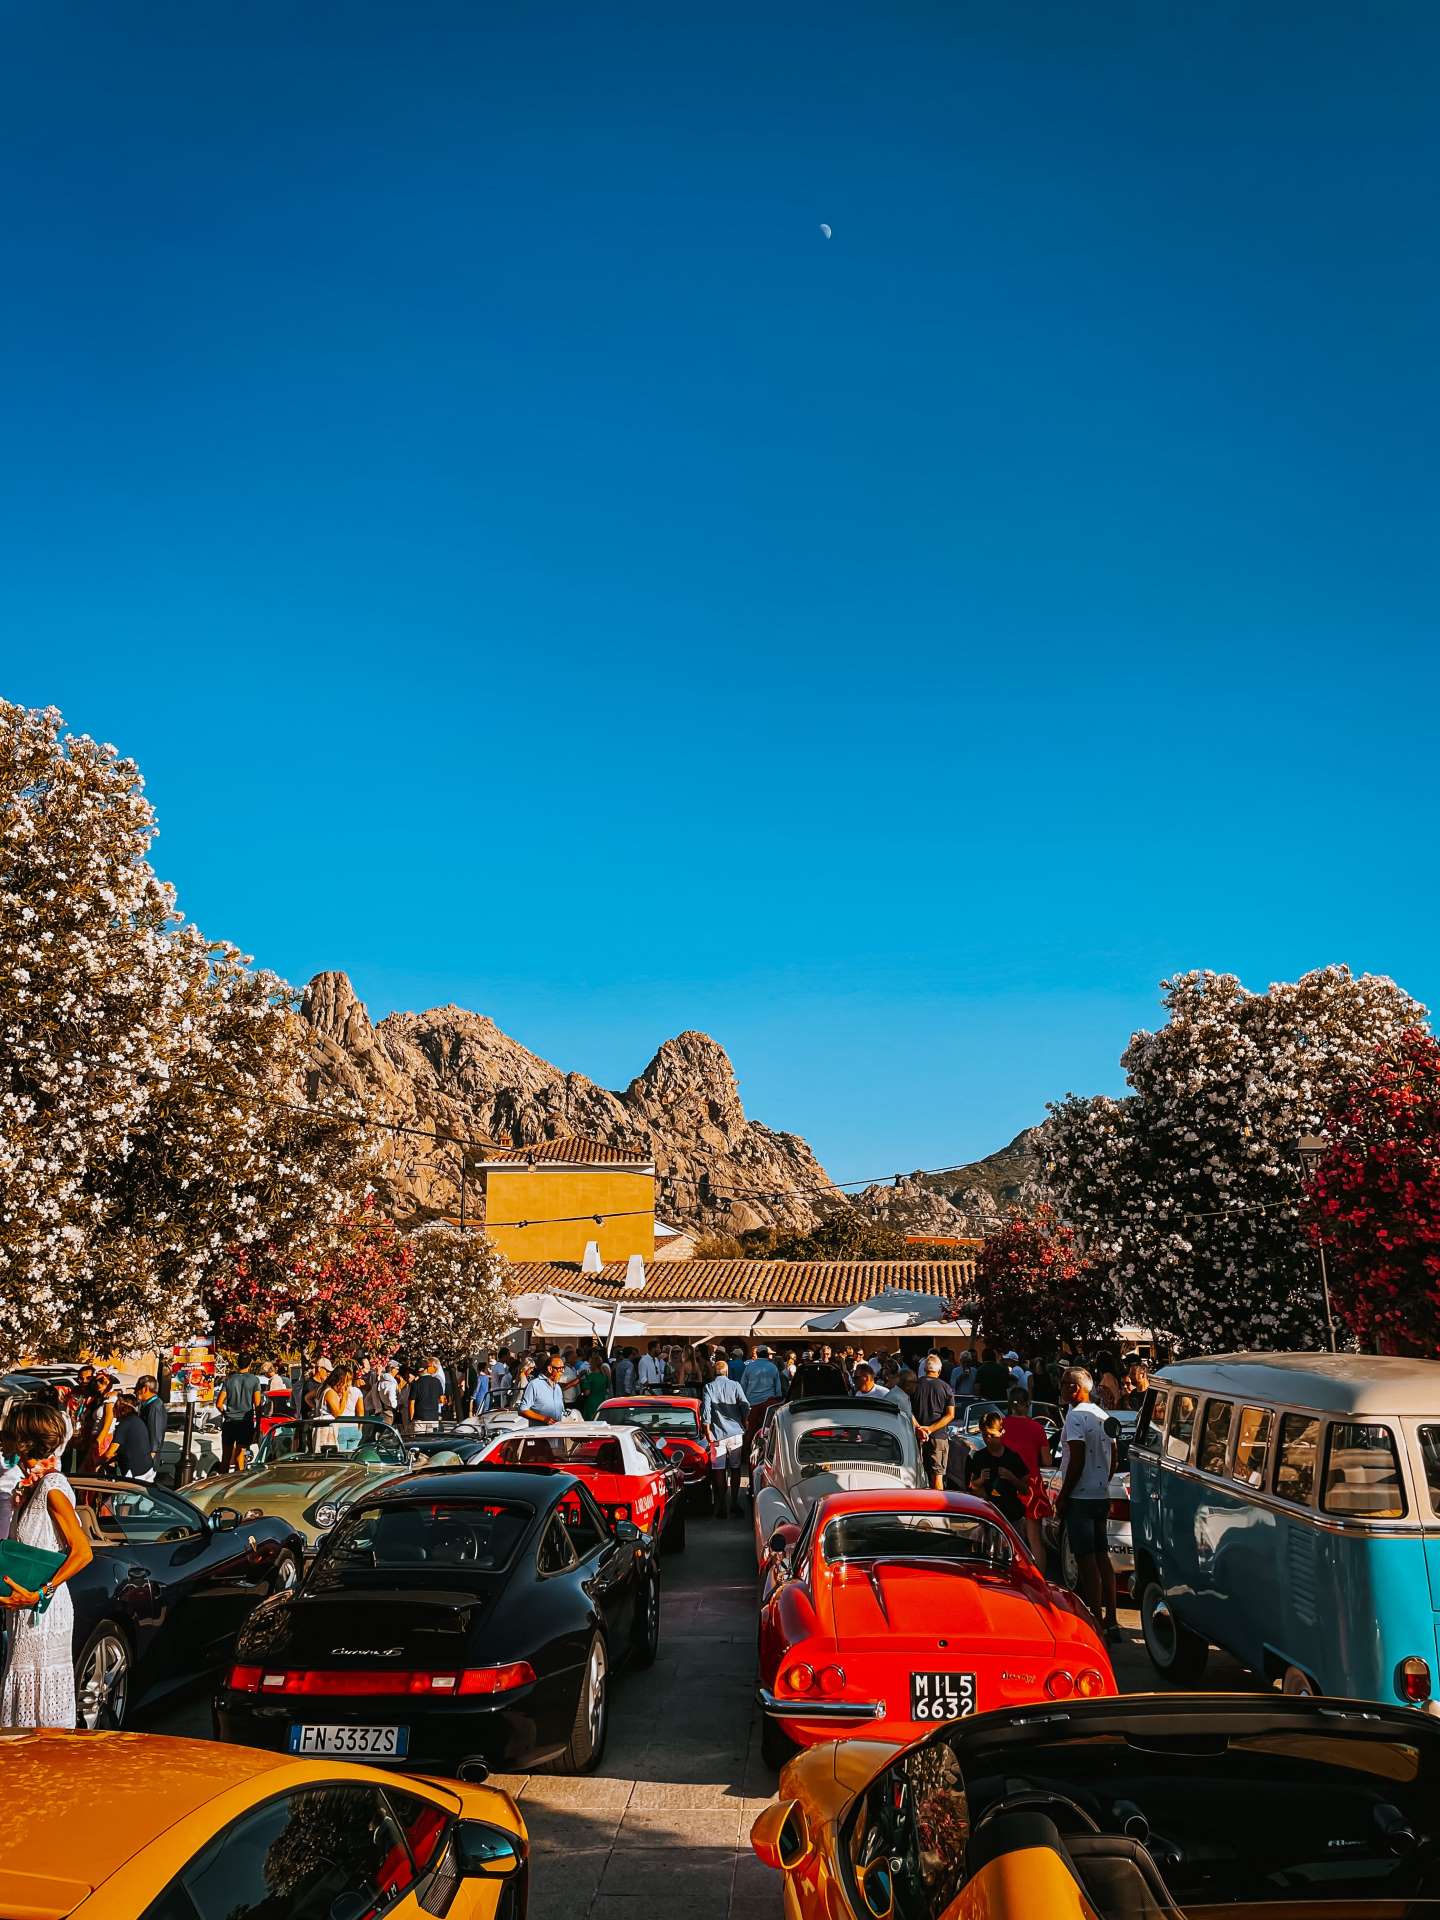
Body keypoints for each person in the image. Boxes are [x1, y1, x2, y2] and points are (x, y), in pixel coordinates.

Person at [0, 1401, 94, 1728]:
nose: (2, 1439)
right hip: (23, 1607)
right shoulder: (31, 1485)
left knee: (38, 1705)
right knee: (23, 1696)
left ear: (24, 1441)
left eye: (7, 1433)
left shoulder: (52, 1489)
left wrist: (41, 1593)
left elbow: (83, 1552)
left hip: (44, 1611)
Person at [1054, 1368, 1119, 1641]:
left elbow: (1077, 1459)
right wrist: (1103, 1481)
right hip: (1100, 1494)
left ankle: (1096, 1619)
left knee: (1086, 1559)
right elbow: (1114, 1455)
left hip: (1080, 1497)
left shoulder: (1076, 1416)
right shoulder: (1102, 1414)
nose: (1060, 1388)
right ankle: (1111, 1619)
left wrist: (1063, 1495)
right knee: (1102, 1556)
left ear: (1075, 1388)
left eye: (1064, 1384)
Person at [1002, 1386, 1053, 1565]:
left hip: (1006, 1482)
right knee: (1035, 1539)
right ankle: (1039, 1578)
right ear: (1027, 1405)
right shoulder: (1037, 1428)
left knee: (1005, 1535)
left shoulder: (1001, 1426)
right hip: (1031, 1483)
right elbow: (1047, 1461)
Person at [701, 1358, 751, 1518]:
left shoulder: (709, 1387)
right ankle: (734, 1502)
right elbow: (745, 1405)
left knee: (719, 1469)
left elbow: (706, 1412)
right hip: (735, 1432)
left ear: (714, 1372)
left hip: (717, 1434)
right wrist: (745, 1420)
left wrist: (707, 1430)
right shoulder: (735, 1385)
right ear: (727, 1372)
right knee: (736, 1468)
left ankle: (721, 1503)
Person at [964, 1411, 1031, 1527]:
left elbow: (1026, 1490)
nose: (988, 1439)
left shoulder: (1013, 1456)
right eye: (984, 1435)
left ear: (1001, 1432)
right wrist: (981, 1480)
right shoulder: (979, 1457)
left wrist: (1012, 1478)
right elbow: (971, 1487)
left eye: (992, 1435)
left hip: (1012, 1516)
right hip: (988, 1516)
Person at [908, 1354, 955, 1491]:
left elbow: (907, 1410)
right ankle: (938, 1503)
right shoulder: (946, 1387)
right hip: (938, 1436)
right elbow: (950, 1415)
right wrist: (930, 1429)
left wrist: (919, 1429)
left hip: (916, 1436)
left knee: (916, 1475)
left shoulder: (914, 1386)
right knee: (937, 1477)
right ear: (939, 1370)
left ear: (924, 1369)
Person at [217, 1358, 264, 1473]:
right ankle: (239, 1479)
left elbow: (219, 1404)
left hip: (229, 1422)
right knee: (240, 1455)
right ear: (250, 1364)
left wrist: (226, 1414)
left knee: (226, 1458)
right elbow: (257, 1404)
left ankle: (223, 1480)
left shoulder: (229, 1380)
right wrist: (258, 1424)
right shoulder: (254, 1380)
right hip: (244, 1422)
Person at [112, 1394, 156, 1482]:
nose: (113, 1409)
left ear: (122, 1408)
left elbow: (112, 1450)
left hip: (135, 1472)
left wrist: (98, 1461)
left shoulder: (125, 1424)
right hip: (147, 1468)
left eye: (116, 1406)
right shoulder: (137, 1420)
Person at [516, 1355, 567, 1426]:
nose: (563, 1371)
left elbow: (562, 1412)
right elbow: (523, 1410)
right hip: (539, 1431)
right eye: (560, 1369)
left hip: (557, 1430)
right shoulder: (534, 1384)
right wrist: (544, 1419)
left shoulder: (557, 1387)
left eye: (563, 1368)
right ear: (550, 1369)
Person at [406, 1359, 446, 1434]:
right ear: (427, 1369)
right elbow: (441, 1400)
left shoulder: (415, 1384)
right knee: (431, 1440)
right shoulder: (437, 1381)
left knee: (419, 1439)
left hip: (419, 1418)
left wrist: (411, 1419)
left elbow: (411, 1403)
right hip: (433, 1418)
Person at [579, 1355, 611, 1420]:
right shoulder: (604, 1376)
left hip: (591, 1404)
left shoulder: (589, 1377)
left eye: (590, 1364)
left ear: (593, 1365)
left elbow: (587, 1393)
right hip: (602, 1402)